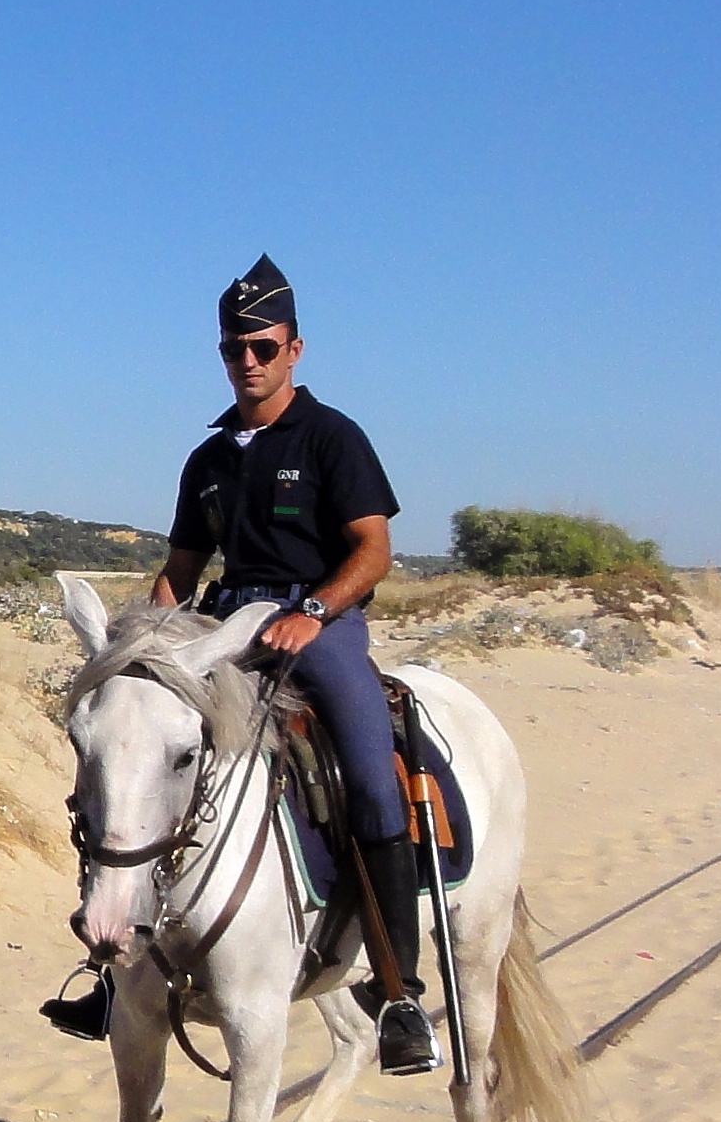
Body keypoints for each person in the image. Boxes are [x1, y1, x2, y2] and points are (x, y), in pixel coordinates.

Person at [41, 255, 439, 1075]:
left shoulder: (333, 438)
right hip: (221, 628)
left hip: (314, 623)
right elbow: (181, 569)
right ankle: (115, 971)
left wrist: (316, 612)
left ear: (295, 348)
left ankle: (398, 992)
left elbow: (372, 550)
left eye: (261, 345)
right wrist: (143, 642)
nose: (247, 360)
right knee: (140, 755)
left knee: (368, 761)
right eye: (233, 348)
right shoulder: (210, 456)